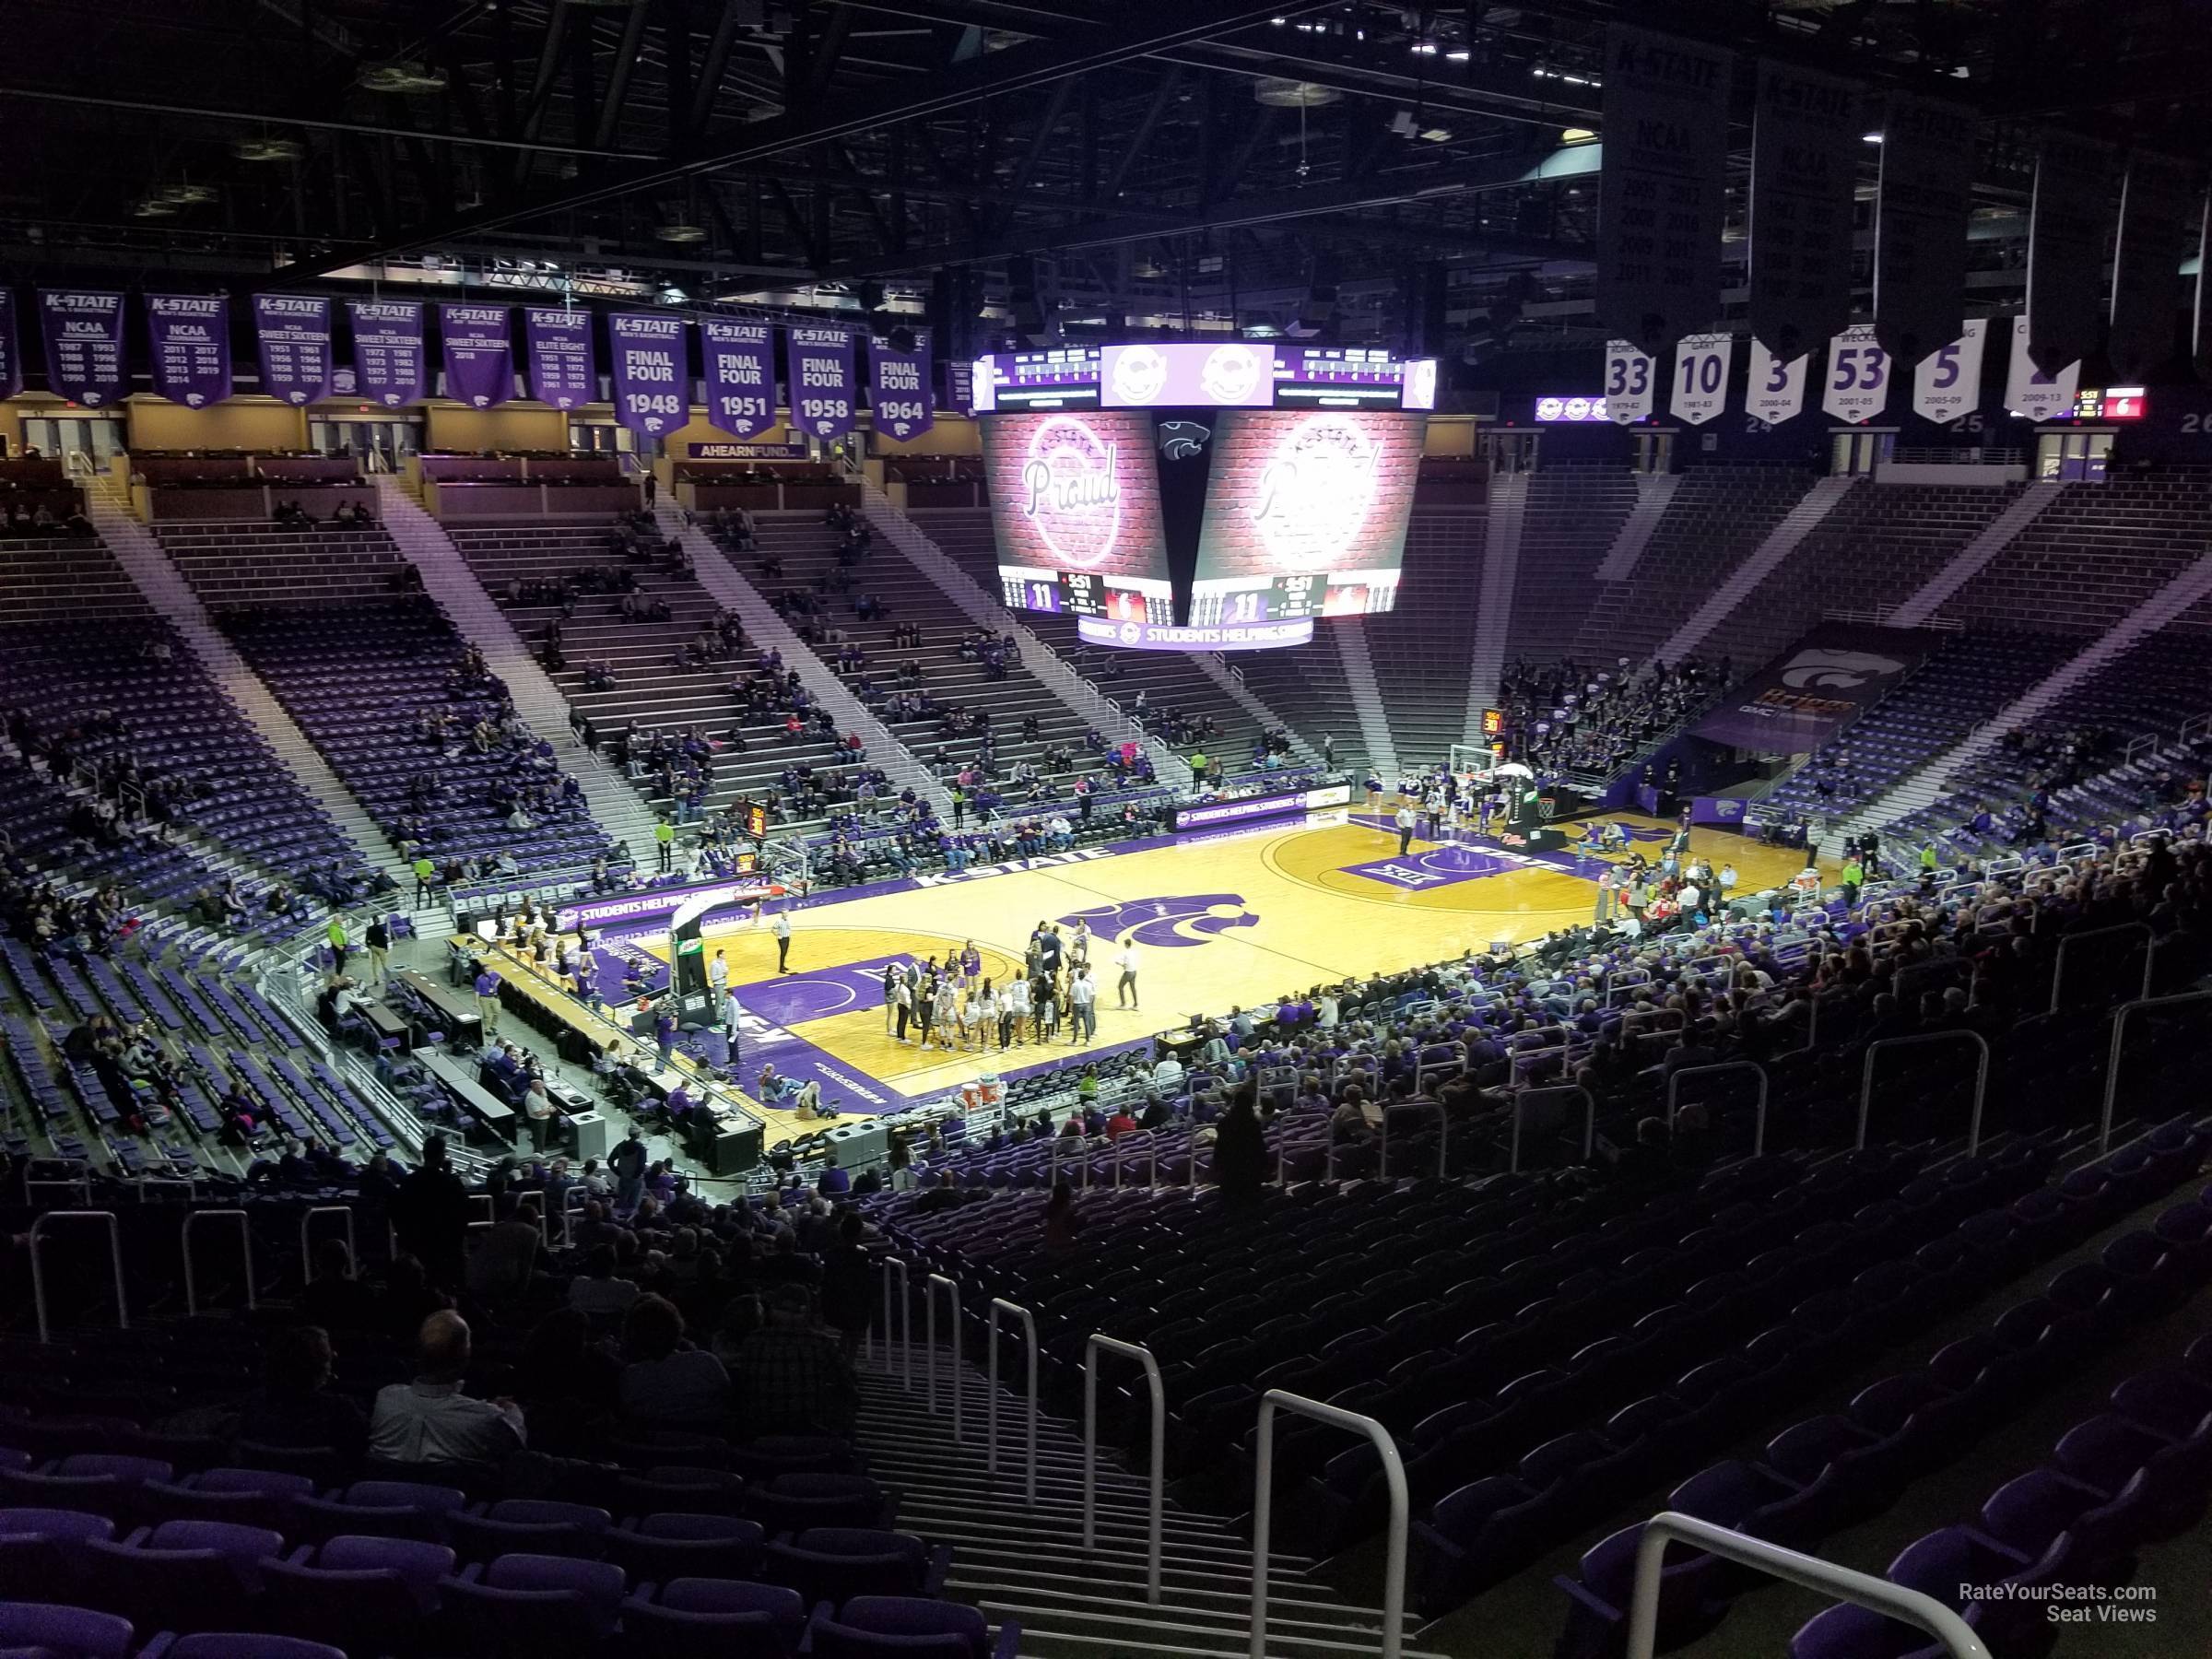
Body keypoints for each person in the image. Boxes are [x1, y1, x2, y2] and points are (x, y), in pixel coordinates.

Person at [367, 1310, 527, 1465]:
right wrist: (511, 1410)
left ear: (418, 1354)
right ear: (465, 1356)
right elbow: (516, 1443)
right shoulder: (486, 1418)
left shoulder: (385, 1399)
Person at [727, 1281, 861, 1435]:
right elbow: (849, 1386)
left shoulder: (752, 1341)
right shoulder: (822, 1343)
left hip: (760, 1431)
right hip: (810, 1432)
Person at [239, 1324, 369, 1464]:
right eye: (328, 1355)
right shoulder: (341, 1411)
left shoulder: (254, 1403)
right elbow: (358, 1456)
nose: (333, 1355)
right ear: (322, 1366)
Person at [618, 1293, 733, 1432]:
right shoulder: (706, 1362)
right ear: (678, 1328)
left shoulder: (632, 1376)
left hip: (652, 1450)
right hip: (709, 1446)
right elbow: (728, 1397)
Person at [389, 1133, 470, 1292]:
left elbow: (396, 1212)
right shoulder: (450, 1183)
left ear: (424, 1154)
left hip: (417, 1246)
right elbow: (463, 1212)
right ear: (442, 1156)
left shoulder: (408, 1183)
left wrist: (408, 1239)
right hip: (447, 1249)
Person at [1212, 1087, 1268, 1203]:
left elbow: (1220, 1149)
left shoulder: (1226, 1123)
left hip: (1231, 1171)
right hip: (1251, 1170)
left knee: (1231, 1204)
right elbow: (1260, 1148)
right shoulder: (1254, 1123)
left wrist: (1217, 1167)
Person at [608, 1126, 649, 1214]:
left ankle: (621, 1217)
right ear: (637, 1135)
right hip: (635, 1179)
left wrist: (617, 1171)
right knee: (634, 1202)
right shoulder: (640, 1148)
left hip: (623, 1177)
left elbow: (610, 1161)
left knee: (622, 1199)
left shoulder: (620, 1146)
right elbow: (641, 1166)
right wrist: (636, 1176)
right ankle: (631, 1219)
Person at [1043, 1182, 1083, 1252]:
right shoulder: (1068, 1213)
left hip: (1050, 1244)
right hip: (1062, 1247)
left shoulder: (1050, 1207)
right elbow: (1073, 1231)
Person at [1114, 936, 1140, 1010]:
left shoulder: (1126, 953)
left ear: (1126, 945)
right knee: (1133, 988)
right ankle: (1135, 1005)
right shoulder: (1134, 952)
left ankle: (1123, 1004)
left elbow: (1125, 965)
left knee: (1120, 987)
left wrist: (1118, 963)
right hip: (1134, 971)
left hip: (1128, 972)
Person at [364, 914, 391, 986]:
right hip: (381, 948)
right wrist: (386, 948)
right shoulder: (381, 928)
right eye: (378, 919)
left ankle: (376, 979)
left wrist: (369, 945)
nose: (379, 920)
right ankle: (386, 977)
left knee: (374, 964)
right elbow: (383, 939)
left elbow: (367, 939)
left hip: (373, 947)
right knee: (384, 964)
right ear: (376, 920)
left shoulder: (369, 928)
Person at [772, 908, 793, 973]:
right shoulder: (779, 921)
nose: (786, 914)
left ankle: (783, 966)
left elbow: (788, 928)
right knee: (783, 953)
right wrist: (777, 935)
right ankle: (781, 969)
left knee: (785, 953)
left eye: (787, 913)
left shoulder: (787, 920)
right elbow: (773, 929)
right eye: (785, 913)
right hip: (782, 939)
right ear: (782, 914)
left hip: (787, 938)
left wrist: (789, 933)